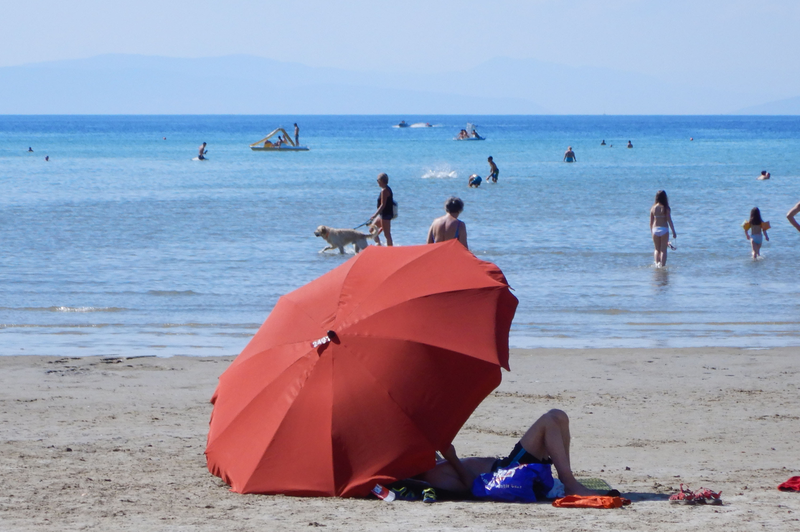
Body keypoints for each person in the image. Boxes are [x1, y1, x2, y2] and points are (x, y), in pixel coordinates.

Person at [419, 409, 597, 496]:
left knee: (559, 417)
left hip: (506, 466)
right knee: (550, 420)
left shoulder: (433, 464)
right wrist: (452, 457)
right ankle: (569, 483)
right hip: (508, 473)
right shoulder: (432, 477)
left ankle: (568, 479)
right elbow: (468, 487)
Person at [650, 190, 677, 267]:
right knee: (663, 250)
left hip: (655, 229)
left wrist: (651, 231)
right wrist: (673, 232)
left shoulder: (653, 208)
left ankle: (657, 264)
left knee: (656, 249)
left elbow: (651, 222)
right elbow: (669, 220)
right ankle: (662, 265)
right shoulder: (666, 208)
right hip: (664, 229)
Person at [370, 173, 394, 246]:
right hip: (382, 215)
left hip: (385, 215)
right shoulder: (385, 189)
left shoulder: (384, 190)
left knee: (387, 235)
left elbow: (382, 205)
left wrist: (375, 215)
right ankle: (379, 244)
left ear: (382, 181)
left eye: (378, 180)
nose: (377, 182)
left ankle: (390, 250)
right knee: (372, 230)